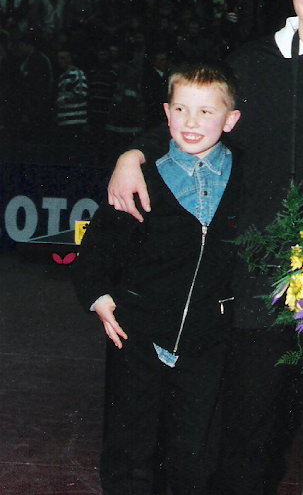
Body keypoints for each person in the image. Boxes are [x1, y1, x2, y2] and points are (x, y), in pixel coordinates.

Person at [106, 0, 303, 495]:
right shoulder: (251, 63)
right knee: (246, 435)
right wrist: (135, 151)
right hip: (260, 284)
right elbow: (196, 118)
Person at [73, 62, 243, 494]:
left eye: (207, 112)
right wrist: (100, 297)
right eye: (182, 109)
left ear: (231, 119)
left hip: (210, 340)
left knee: (195, 455)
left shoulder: (248, 177)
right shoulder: (140, 178)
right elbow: (96, 250)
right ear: (166, 113)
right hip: (139, 332)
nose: (192, 122)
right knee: (129, 452)